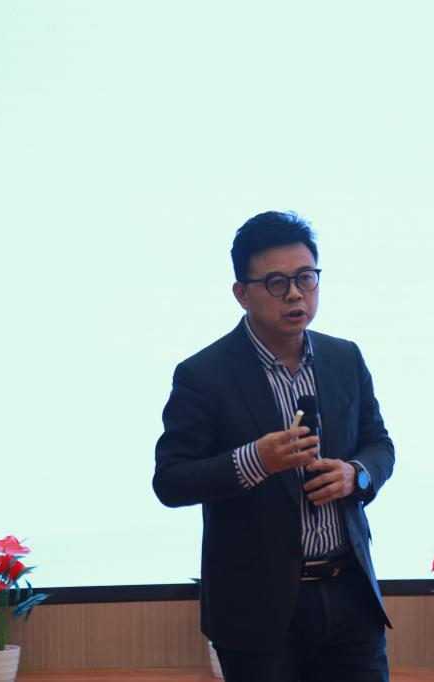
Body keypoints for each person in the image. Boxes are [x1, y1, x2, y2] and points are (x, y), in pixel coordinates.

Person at [153, 211, 394, 682]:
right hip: (256, 610)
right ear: (241, 293)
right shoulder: (203, 375)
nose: (295, 294)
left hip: (349, 595)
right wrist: (255, 460)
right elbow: (171, 481)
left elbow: (378, 443)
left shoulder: (344, 357)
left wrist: (357, 474)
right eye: (276, 282)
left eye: (306, 278)